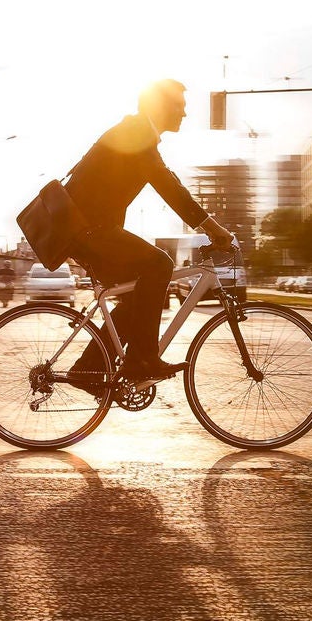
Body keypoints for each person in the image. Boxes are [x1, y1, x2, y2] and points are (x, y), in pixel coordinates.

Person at [64, 80, 235, 391]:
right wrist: (212, 227)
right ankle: (141, 359)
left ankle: (87, 369)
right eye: (179, 106)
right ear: (160, 106)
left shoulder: (139, 134)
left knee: (133, 298)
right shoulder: (137, 134)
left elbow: (168, 180)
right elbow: (169, 188)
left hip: (89, 230)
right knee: (159, 264)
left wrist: (208, 223)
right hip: (88, 231)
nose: (185, 113)